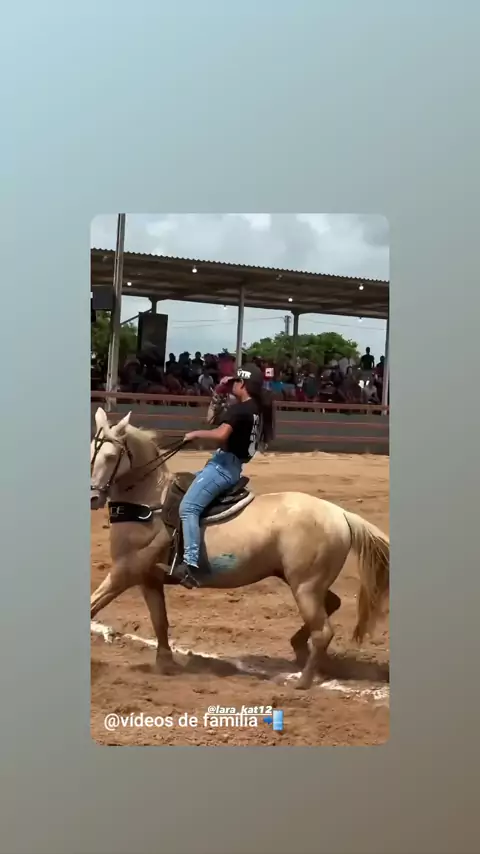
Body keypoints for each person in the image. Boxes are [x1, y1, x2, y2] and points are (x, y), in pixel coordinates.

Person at [171, 363, 274, 588]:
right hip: (232, 467)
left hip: (221, 467)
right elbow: (214, 420)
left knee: (188, 508)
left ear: (243, 384)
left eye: (235, 381)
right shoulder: (255, 409)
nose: (232, 384)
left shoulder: (240, 410)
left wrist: (194, 435)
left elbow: (220, 433)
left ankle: (189, 565)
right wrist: (219, 394)